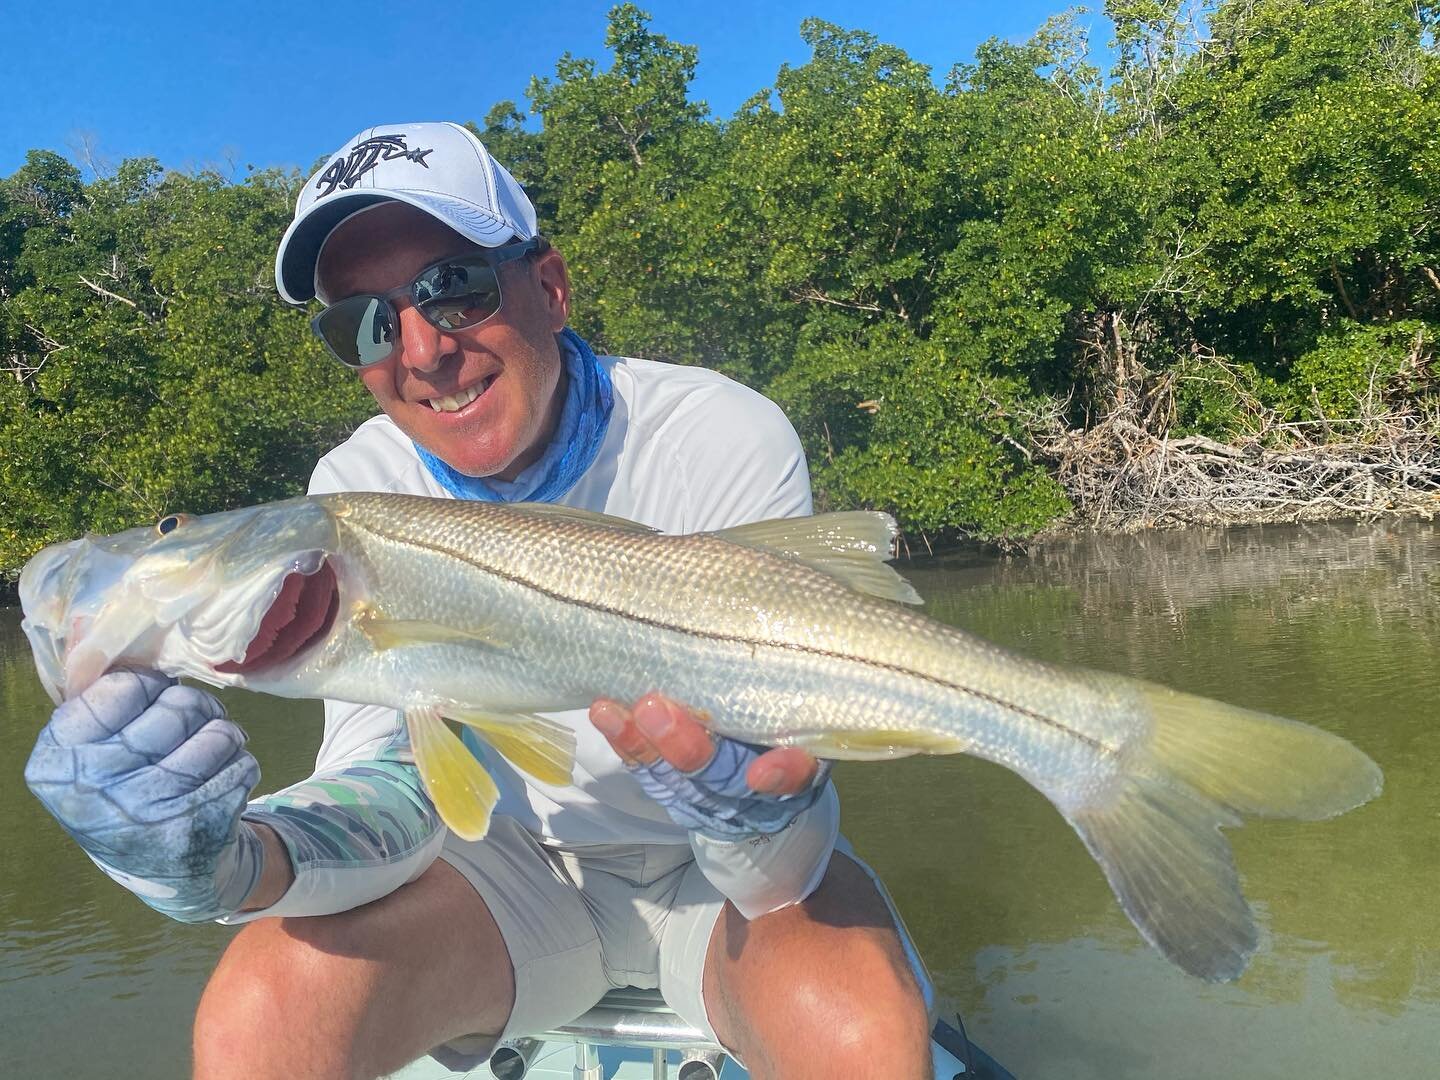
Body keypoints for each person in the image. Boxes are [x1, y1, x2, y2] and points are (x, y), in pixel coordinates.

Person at [25, 122, 933, 1080]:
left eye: (452, 289)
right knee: (255, 1022)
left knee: (862, 1032)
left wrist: (746, 814)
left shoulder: (716, 432)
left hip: (718, 884)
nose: (420, 349)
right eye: (364, 323)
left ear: (549, 287)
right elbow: (395, 777)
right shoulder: (351, 486)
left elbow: (782, 865)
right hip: (506, 876)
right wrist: (225, 861)